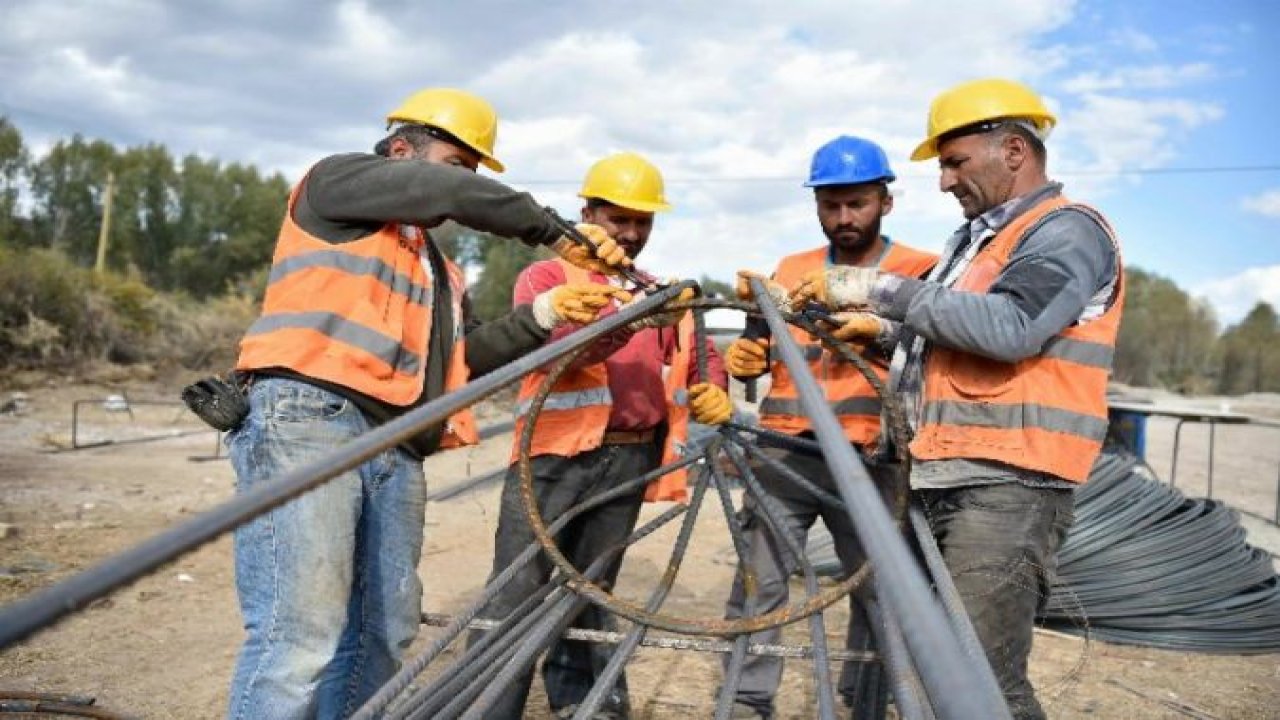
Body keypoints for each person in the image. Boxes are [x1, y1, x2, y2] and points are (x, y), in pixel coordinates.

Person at [226, 87, 634, 720]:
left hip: (397, 445)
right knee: (299, 638)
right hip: (308, 419)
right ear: (399, 150)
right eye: (457, 165)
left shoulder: (435, 270)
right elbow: (453, 196)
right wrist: (556, 232)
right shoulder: (334, 185)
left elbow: (463, 359)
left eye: (473, 172)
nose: (463, 184)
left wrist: (545, 315)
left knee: (382, 635)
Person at [785, 78, 1124, 720]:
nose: (944, 181)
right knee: (932, 667)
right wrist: (888, 336)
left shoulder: (1064, 231)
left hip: (1008, 483)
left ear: (1015, 151)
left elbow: (1012, 328)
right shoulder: (976, 241)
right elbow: (959, 342)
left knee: (980, 680)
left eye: (954, 162)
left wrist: (877, 290)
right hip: (948, 474)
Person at [474, 152, 731, 720]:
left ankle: (585, 705)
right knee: (517, 590)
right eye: (619, 219)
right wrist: (635, 321)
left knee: (591, 591)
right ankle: (489, 707)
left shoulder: (657, 289)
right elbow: (562, 354)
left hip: (628, 459)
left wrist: (716, 383)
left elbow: (700, 347)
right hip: (551, 459)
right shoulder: (548, 279)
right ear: (586, 213)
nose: (632, 233)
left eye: (642, 222)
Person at [720, 136, 937, 720]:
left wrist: (878, 328)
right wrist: (745, 356)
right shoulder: (790, 272)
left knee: (876, 587)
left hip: (873, 456)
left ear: (885, 202)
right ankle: (745, 698)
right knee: (758, 578)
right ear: (817, 204)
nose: (843, 218)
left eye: (857, 204)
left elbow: (934, 355)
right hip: (784, 448)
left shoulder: (917, 271)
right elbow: (758, 345)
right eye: (831, 205)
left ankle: (865, 698)